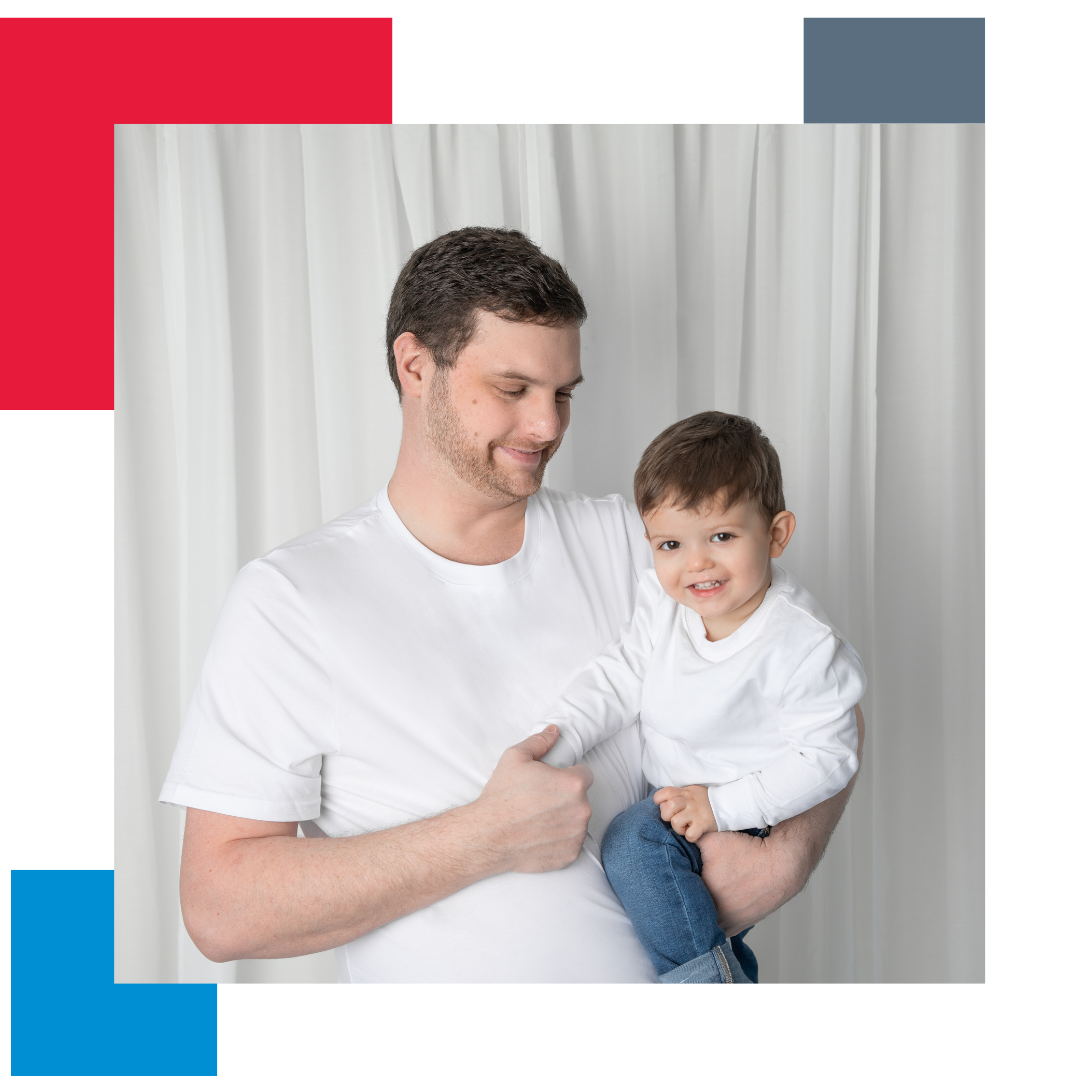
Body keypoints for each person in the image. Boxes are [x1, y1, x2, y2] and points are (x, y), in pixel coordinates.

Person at [161, 226, 864, 983]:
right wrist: (486, 837)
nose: (548, 425)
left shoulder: (650, 548)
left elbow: (825, 693)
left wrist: (788, 855)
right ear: (415, 366)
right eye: (513, 390)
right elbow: (219, 908)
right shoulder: (291, 600)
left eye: (562, 394)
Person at [536, 411, 864, 983]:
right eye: (671, 544)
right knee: (675, 918)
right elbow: (619, 675)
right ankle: (722, 976)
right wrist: (557, 742)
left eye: (722, 536)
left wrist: (722, 808)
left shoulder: (801, 643)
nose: (697, 564)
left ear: (777, 534)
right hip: (684, 801)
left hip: (748, 809)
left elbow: (829, 757)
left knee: (632, 843)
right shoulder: (664, 605)